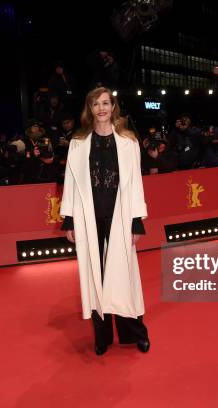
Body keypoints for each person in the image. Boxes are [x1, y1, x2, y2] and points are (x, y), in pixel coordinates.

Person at [59, 87, 150, 356]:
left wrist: (136, 221)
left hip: (120, 217)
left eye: (106, 103)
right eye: (96, 104)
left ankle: (135, 333)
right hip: (89, 219)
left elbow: (136, 185)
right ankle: (103, 337)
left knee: (123, 276)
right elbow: (71, 185)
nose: (101, 108)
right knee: (95, 277)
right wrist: (70, 221)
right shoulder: (78, 142)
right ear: (90, 109)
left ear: (113, 107)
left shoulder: (128, 141)